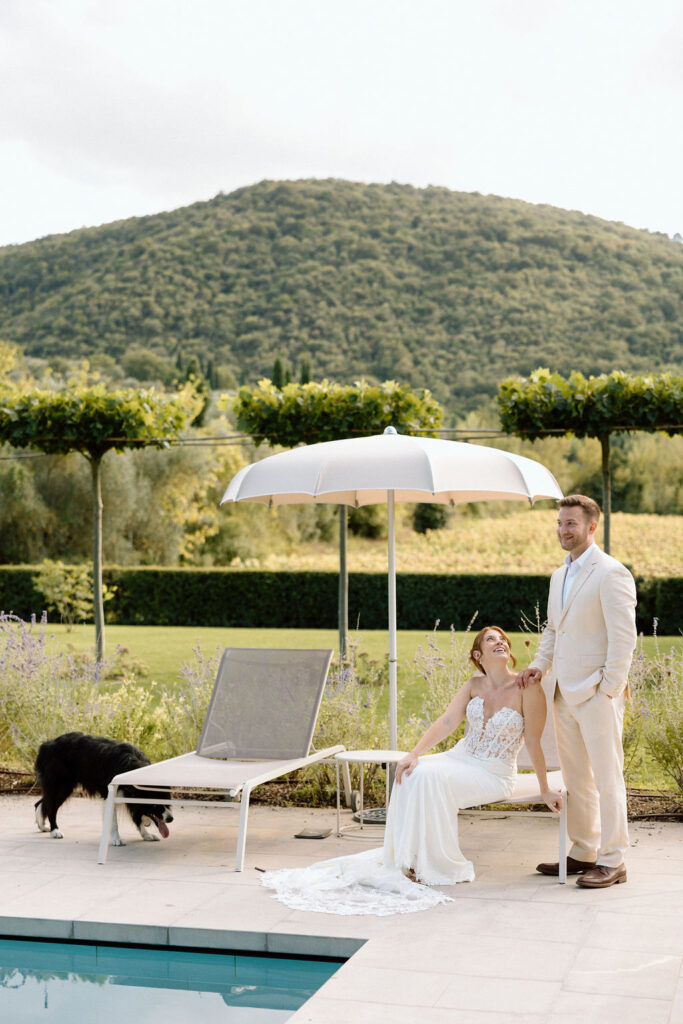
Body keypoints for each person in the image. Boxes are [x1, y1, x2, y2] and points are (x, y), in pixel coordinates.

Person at [261, 626, 562, 916]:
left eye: (503, 640)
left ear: (508, 652)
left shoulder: (527, 687)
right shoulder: (474, 685)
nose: (500, 642)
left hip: (494, 772)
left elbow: (534, 742)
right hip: (461, 757)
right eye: (490, 640)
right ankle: (407, 862)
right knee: (413, 772)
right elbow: (446, 722)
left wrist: (545, 788)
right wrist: (414, 754)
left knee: (431, 777)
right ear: (477, 655)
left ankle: (435, 865)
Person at [517, 495, 637, 889]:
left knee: (607, 778)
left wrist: (609, 690)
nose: (562, 530)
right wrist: (539, 665)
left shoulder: (611, 573)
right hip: (562, 694)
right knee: (577, 779)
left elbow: (624, 639)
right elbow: (554, 629)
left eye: (570, 523)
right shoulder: (559, 576)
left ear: (591, 527)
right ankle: (585, 850)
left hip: (597, 694)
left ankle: (613, 860)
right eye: (559, 523)